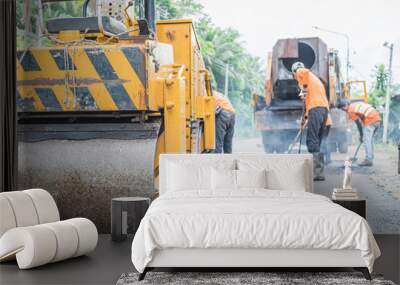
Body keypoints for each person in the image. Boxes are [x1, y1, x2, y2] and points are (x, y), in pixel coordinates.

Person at [292, 62, 330, 181]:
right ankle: (319, 172)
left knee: (311, 141)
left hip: (317, 109)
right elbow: (308, 104)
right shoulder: (314, 81)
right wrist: (304, 120)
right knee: (317, 142)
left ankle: (317, 172)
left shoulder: (301, 72)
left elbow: (304, 72)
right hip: (323, 110)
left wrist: (302, 87)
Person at [338, 99, 381, 166]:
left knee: (367, 141)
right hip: (377, 119)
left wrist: (361, 135)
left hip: (370, 119)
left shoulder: (350, 110)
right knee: (369, 141)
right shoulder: (355, 105)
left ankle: (368, 160)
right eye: (342, 109)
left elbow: (358, 123)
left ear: (347, 104)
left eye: (343, 108)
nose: (344, 110)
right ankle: (370, 158)